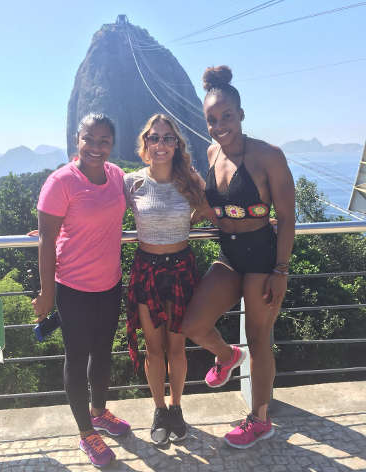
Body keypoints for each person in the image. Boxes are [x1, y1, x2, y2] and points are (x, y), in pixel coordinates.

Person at [182, 66, 295, 449]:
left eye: (226, 116)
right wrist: (199, 208)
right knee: (194, 324)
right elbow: (219, 204)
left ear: (241, 114)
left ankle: (259, 419)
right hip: (230, 256)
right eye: (212, 120)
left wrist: (281, 270)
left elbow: (287, 217)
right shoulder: (212, 153)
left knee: (259, 338)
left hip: (264, 259)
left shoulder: (269, 156)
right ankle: (227, 356)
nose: (218, 126)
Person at [32, 113, 130, 468]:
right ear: (77, 139)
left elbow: (144, 204)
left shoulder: (117, 175)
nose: (96, 147)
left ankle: (100, 412)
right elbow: (46, 240)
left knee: (103, 353)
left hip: (110, 283)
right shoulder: (61, 181)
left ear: (112, 144)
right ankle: (86, 432)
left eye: (104, 141)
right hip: (72, 287)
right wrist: (45, 294)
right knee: (77, 358)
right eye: (90, 139)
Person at [124, 113, 213, 446]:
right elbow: (100, 214)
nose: (160, 144)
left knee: (178, 346)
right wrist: (58, 230)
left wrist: (262, 224)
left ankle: (176, 408)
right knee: (153, 348)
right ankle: (159, 410)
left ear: (177, 144)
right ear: (145, 143)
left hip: (181, 270)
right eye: (154, 137)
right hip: (146, 269)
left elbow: (214, 209)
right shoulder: (131, 182)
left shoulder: (190, 181)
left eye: (168, 138)